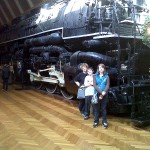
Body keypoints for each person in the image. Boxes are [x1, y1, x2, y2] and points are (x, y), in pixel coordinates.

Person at [93, 63, 110, 128]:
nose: (101, 69)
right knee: (96, 109)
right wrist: (101, 92)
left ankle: (104, 122)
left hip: (104, 95)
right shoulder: (95, 76)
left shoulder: (107, 76)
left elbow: (107, 86)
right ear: (98, 69)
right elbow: (95, 85)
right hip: (97, 94)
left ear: (104, 69)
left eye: (102, 67)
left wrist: (103, 93)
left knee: (103, 109)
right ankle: (96, 121)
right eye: (99, 67)